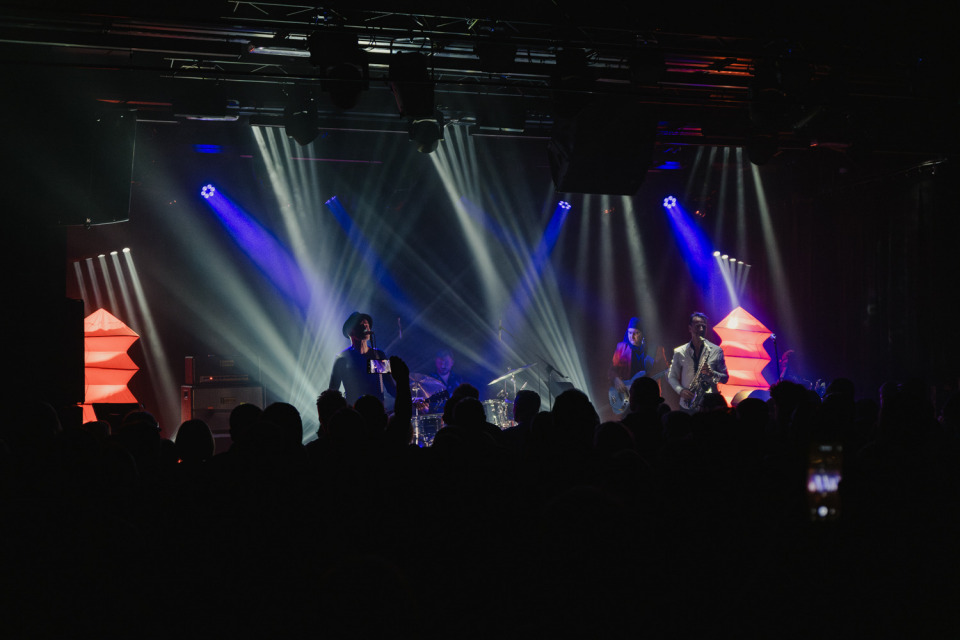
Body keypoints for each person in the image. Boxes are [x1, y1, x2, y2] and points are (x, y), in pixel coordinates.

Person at [328, 311, 397, 405]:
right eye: (360, 324)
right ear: (350, 331)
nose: (365, 326)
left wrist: (407, 399)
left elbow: (390, 386)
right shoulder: (342, 358)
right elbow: (333, 392)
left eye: (367, 324)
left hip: (376, 410)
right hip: (353, 411)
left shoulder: (378, 355)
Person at [667, 312, 729, 412]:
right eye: (697, 326)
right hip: (687, 405)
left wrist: (712, 374)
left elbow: (725, 378)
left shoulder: (716, 351)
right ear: (690, 328)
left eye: (703, 326)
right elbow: (671, 376)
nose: (701, 330)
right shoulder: (679, 351)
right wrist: (680, 390)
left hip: (709, 406)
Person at [609, 317, 655, 414]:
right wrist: (616, 379)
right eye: (630, 333)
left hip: (646, 396)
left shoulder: (650, 349)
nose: (632, 336)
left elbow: (659, 369)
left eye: (636, 333)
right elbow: (612, 370)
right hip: (627, 395)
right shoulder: (621, 347)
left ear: (642, 333)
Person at [427, 348, 463, 412]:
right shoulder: (428, 380)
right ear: (435, 362)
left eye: (446, 362)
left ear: (452, 362)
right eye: (440, 363)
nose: (443, 366)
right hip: (435, 415)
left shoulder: (459, 379)